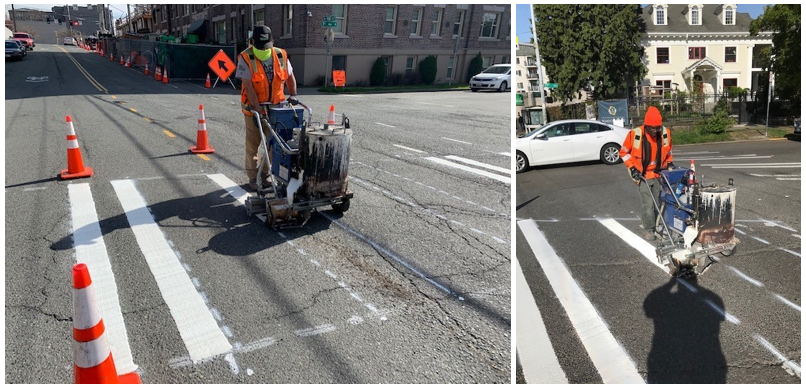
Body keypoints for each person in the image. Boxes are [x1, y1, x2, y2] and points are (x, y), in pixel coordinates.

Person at [235, 25, 299, 190]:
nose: (264, 50)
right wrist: (258, 110)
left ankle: (264, 174)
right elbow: (248, 87)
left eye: (266, 46)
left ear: (272, 42)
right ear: (252, 42)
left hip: (276, 108)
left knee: (275, 144)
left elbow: (290, 76)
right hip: (253, 110)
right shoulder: (245, 57)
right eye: (260, 47)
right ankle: (252, 177)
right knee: (253, 145)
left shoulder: (280, 54)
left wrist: (294, 95)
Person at [619, 106, 675, 240]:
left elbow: (668, 152)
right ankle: (649, 229)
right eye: (653, 128)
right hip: (643, 175)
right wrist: (632, 168)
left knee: (659, 202)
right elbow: (623, 152)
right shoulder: (635, 135)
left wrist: (670, 163)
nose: (655, 130)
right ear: (646, 126)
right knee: (648, 204)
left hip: (658, 174)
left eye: (658, 127)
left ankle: (657, 224)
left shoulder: (665, 133)